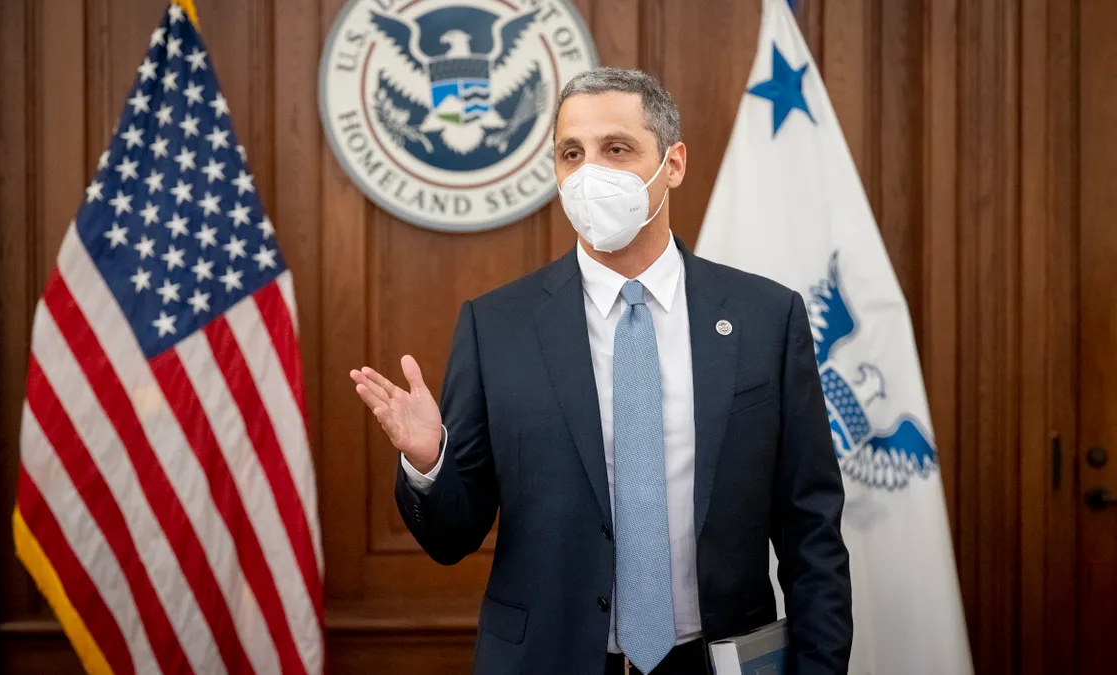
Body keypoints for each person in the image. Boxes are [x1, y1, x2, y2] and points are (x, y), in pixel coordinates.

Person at [349, 67, 852, 675]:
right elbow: (453, 536)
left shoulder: (766, 318)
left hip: (718, 660)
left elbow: (811, 529)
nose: (591, 172)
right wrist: (429, 465)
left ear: (674, 164)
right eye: (571, 153)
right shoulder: (496, 326)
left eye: (617, 149)